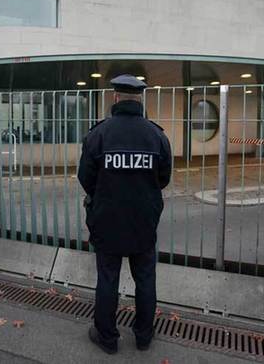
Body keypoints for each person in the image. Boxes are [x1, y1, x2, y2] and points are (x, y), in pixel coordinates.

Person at [78, 74, 172, 354]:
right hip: (143, 221)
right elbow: (163, 179)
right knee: (145, 278)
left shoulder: (99, 134)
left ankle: (107, 337)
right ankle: (143, 336)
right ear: (140, 99)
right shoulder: (156, 135)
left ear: (115, 98)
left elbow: (86, 178)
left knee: (108, 278)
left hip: (107, 219)